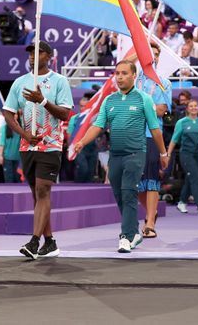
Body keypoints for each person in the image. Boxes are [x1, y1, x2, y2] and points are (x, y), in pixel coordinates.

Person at [71, 60, 168, 253]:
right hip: (115, 156)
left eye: (124, 73)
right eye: (117, 73)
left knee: (128, 191)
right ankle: (134, 232)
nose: (120, 77)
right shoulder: (109, 100)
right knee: (119, 196)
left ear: (134, 76)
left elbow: (155, 129)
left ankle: (125, 236)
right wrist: (82, 141)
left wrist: (163, 153)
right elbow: (98, 126)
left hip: (136, 154)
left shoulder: (143, 99)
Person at [2, 41, 73, 260]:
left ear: (48, 56)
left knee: (43, 190)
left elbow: (64, 114)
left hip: (50, 144)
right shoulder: (20, 82)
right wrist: (24, 135)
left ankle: (34, 242)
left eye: (38, 52)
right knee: (36, 194)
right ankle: (50, 241)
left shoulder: (59, 81)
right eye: (30, 53)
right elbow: (8, 113)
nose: (32, 57)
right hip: (27, 144)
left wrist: (42, 100)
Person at [134, 44, 171, 239]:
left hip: (151, 134)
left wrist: (139, 105)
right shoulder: (132, 80)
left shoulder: (164, 82)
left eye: (155, 55)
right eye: (148, 54)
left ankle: (149, 222)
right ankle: (151, 212)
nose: (152, 58)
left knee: (150, 180)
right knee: (135, 182)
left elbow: (161, 110)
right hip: (131, 135)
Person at [168, 99, 198, 214]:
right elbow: (174, 139)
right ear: (187, 108)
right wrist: (168, 154)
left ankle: (182, 202)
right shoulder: (182, 122)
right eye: (191, 106)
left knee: (190, 178)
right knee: (194, 177)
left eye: (195, 106)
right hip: (186, 154)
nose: (194, 108)